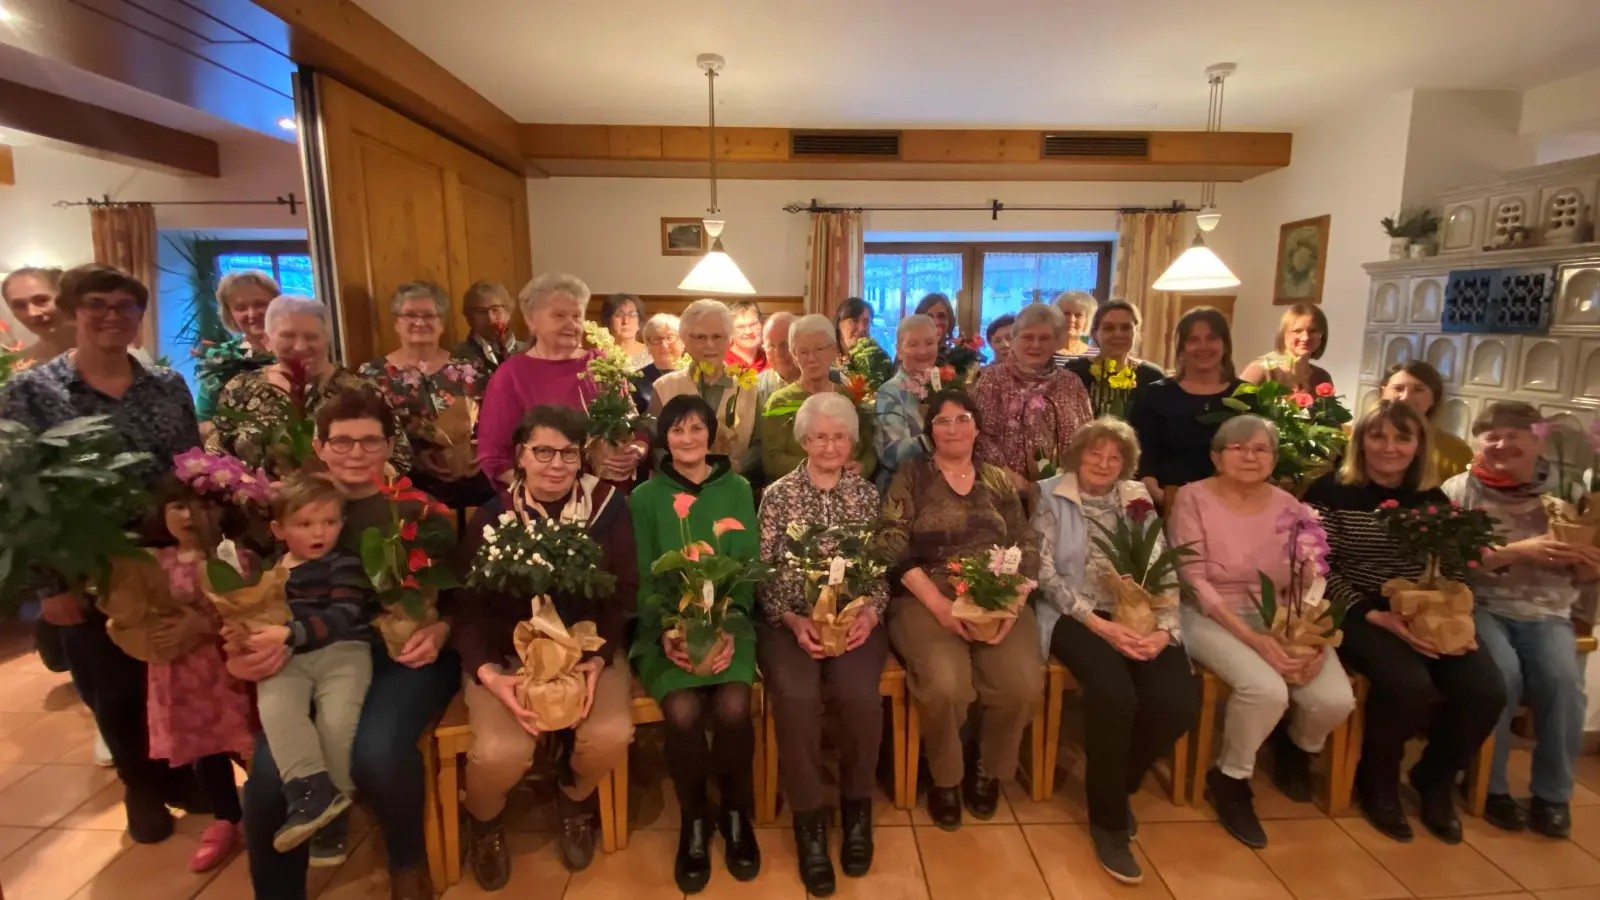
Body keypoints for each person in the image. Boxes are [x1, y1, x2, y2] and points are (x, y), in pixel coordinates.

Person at [228, 388, 458, 899]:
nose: (356, 453)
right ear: (320, 445)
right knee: (268, 774)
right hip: (305, 653)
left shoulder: (417, 509)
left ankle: (407, 864)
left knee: (378, 751)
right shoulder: (292, 505)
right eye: (342, 441)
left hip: (402, 653)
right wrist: (243, 651)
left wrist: (443, 629)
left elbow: (463, 593)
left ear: (389, 445)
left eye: (370, 441)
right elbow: (254, 597)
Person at [2, 263, 203, 844]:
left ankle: (176, 773)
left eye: (125, 306)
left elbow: (191, 467)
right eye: (97, 304)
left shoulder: (166, 385)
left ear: (139, 316)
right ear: (73, 311)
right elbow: (20, 491)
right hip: (86, 561)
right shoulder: (32, 392)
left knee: (168, 671)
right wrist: (50, 587)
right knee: (112, 684)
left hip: (163, 553)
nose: (112, 316)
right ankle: (140, 785)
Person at [452, 405, 637, 888]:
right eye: (543, 452)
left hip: (587, 649)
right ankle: (484, 817)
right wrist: (489, 674)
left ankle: (574, 799)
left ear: (582, 458)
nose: (556, 464)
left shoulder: (608, 509)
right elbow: (466, 612)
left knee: (610, 733)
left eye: (568, 453)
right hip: (508, 656)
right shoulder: (493, 518)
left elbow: (623, 596)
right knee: (500, 751)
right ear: (521, 456)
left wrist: (598, 659)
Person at [1304, 401, 1506, 845]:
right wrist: (1374, 614)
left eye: (1402, 437)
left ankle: (1433, 779)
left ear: (1418, 446)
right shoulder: (1330, 492)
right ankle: (1377, 783)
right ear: (1361, 442)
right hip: (1356, 610)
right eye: (1378, 436)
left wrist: (1452, 620)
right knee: (1407, 683)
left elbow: (1453, 567)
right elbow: (1315, 567)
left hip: (1425, 610)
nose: (1389, 447)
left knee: (1485, 688)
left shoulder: (1431, 499)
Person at [1169, 414, 1355, 849]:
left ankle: (1296, 746)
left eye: (1261, 449)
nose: (1250, 456)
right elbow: (1193, 579)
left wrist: (1304, 634)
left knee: (1334, 700)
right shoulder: (1193, 498)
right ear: (1216, 456)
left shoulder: (1292, 506)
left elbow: (1310, 576)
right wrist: (1254, 640)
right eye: (1238, 447)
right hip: (1208, 613)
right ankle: (1231, 777)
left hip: (1282, 616)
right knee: (1265, 689)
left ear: (1273, 459)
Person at [1032, 417, 1199, 883]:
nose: (1104, 463)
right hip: (1075, 614)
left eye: (1115, 457)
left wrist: (1165, 630)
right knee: (1114, 694)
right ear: (1077, 454)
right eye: (1095, 453)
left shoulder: (1136, 497)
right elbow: (1045, 575)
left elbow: (1162, 566)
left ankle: (1119, 780)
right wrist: (1101, 626)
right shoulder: (1051, 494)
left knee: (1178, 702)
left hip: (1140, 610)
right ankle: (1107, 822)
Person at [878, 390, 1044, 830]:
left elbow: (1025, 543)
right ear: (930, 431)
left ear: (977, 426)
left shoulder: (998, 480)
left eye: (962, 418)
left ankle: (988, 770)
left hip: (997, 591)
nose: (953, 428)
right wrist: (940, 607)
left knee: (1022, 684)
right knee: (946, 684)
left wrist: (1013, 604)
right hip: (924, 592)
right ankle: (945, 777)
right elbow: (890, 543)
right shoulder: (911, 475)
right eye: (942, 421)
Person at [1443, 401, 1600, 839]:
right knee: (1504, 677)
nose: (1501, 444)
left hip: (1548, 611)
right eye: (1491, 435)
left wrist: (1588, 565)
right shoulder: (1459, 490)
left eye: (1514, 435)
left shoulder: (1571, 490)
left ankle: (1553, 796)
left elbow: (1587, 576)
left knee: (1563, 684)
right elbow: (1447, 564)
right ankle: (1489, 787)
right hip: (1479, 605)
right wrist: (1516, 552)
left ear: (1538, 442)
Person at [756, 392, 888, 895]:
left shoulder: (866, 495)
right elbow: (764, 569)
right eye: (819, 437)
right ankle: (809, 819)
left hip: (855, 621)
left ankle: (857, 808)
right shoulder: (778, 496)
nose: (830, 446)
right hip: (790, 621)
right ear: (804, 440)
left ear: (851, 441)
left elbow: (879, 569)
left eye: (839, 437)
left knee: (859, 696)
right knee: (795, 697)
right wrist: (792, 620)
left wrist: (869, 613)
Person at [630, 395, 762, 894]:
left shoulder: (738, 489)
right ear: (664, 438)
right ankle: (695, 818)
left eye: (696, 428)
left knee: (733, 706)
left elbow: (746, 568)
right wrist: (668, 631)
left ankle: (735, 812)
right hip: (665, 627)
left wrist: (727, 624)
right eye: (676, 430)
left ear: (712, 435)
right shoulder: (645, 497)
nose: (687, 439)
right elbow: (642, 579)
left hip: (730, 620)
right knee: (682, 711)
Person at [114, 474, 259, 872]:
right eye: (178, 506)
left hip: (228, 670)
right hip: (179, 678)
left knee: (248, 744)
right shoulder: (152, 564)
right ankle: (226, 817)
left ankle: (264, 809)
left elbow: (251, 609)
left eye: (204, 506)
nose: (190, 516)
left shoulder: (235, 558)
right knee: (205, 752)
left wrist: (203, 624)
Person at [246, 474, 375, 853]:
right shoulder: (270, 572)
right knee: (277, 710)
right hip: (290, 659)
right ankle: (310, 793)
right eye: (304, 524)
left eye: (329, 522)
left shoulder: (343, 561)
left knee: (336, 725)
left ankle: (334, 816)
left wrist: (289, 633)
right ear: (278, 529)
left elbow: (345, 613)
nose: (319, 532)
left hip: (343, 652)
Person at [208, 295, 412, 478]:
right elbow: (216, 452)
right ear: (267, 340)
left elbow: (399, 458)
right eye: (288, 336)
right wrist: (252, 487)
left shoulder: (360, 389)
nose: (300, 346)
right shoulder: (240, 388)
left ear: (327, 339)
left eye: (311, 337)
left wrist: (337, 484)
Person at [478, 273, 646, 485]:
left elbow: (635, 427)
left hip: (607, 493)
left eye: (577, 316)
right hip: (540, 497)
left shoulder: (601, 364)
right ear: (531, 321)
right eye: (559, 316)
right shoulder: (511, 375)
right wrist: (545, 490)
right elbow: (494, 458)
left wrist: (636, 452)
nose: (571, 324)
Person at [358, 281, 491, 509]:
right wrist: (417, 459)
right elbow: (369, 433)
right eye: (410, 315)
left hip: (474, 481)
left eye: (429, 315)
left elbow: (494, 419)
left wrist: (481, 452)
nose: (420, 322)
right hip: (408, 487)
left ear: (442, 323)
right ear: (396, 322)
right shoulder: (373, 374)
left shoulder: (471, 367)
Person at [1129, 306, 1243, 507]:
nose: (1203, 346)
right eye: (1193, 340)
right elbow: (1141, 453)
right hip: (1168, 502)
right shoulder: (1156, 394)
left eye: (1212, 338)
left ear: (1225, 345)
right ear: (1181, 348)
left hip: (1235, 504)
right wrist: (1158, 494)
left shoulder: (1247, 396)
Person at [969, 303, 1093, 488]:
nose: (1035, 345)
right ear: (1014, 340)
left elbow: (1087, 436)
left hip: (1064, 491)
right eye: (1027, 337)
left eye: (1044, 338)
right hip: (1005, 490)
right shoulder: (992, 379)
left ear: (1056, 342)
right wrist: (1016, 482)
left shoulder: (1071, 382)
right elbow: (981, 437)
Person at [651, 299, 762, 477]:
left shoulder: (750, 388)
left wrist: (737, 468)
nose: (710, 344)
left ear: (729, 340)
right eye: (700, 337)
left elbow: (759, 444)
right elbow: (654, 446)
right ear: (685, 340)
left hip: (732, 484)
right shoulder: (664, 387)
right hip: (675, 486)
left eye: (717, 336)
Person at [761, 314, 876, 481]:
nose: (811, 359)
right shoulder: (779, 401)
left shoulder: (849, 398)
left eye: (819, 350)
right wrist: (820, 467)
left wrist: (862, 467)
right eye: (803, 352)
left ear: (833, 350)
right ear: (794, 355)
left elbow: (869, 451)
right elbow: (771, 460)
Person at [196, 271, 280, 428]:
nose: (252, 314)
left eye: (260, 304)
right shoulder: (221, 357)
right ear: (230, 314)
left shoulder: (300, 349)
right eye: (241, 308)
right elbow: (204, 418)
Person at [1062, 301, 1165, 421]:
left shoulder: (1152, 376)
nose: (1118, 334)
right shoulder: (1074, 372)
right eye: (1109, 328)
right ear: (1095, 333)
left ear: (1135, 331)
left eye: (1126, 328)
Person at [873, 314, 940, 491]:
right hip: (905, 488)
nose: (923, 351)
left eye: (929, 343)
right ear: (899, 350)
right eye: (913, 344)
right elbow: (892, 456)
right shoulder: (890, 392)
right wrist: (932, 438)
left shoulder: (946, 384)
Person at [1381, 360, 1473, 487]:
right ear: (1382, 392)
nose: (1405, 397)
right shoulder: (1359, 439)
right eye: (1398, 388)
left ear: (1434, 397)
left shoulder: (1456, 450)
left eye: (1418, 390)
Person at [1240, 303, 1333, 393]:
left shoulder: (1322, 377)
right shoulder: (1261, 369)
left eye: (1313, 331)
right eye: (1297, 331)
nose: (1305, 338)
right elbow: (1235, 402)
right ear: (1283, 334)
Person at [3, 265, 72, 367]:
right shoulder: (19, 365)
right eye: (20, 305)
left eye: (42, 300)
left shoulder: (96, 351)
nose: (32, 313)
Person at [453, 280, 527, 374]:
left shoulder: (530, 352)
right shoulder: (458, 357)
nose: (490, 318)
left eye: (495, 309)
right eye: (481, 311)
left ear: (508, 313)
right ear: (470, 317)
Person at [634, 312, 684, 413]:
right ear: (647, 345)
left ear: (683, 342)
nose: (664, 345)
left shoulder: (696, 376)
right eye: (656, 339)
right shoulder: (636, 381)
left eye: (670, 337)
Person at [755, 311, 800, 414]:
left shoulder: (830, 380)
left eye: (785, 344)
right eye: (771, 346)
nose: (779, 353)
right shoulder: (754, 389)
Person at [601, 292, 651, 369]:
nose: (626, 321)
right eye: (618, 315)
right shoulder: (599, 355)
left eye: (632, 315)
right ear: (608, 321)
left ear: (639, 322)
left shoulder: (651, 354)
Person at [1051, 290, 1096, 360]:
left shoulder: (1095, 356)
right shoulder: (1043, 352)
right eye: (1067, 313)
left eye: (1078, 315)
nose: (1072, 319)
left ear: (1087, 320)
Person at [726, 298, 768, 372]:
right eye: (740, 327)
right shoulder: (721, 363)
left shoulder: (771, 360)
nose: (748, 332)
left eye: (753, 324)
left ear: (761, 324)